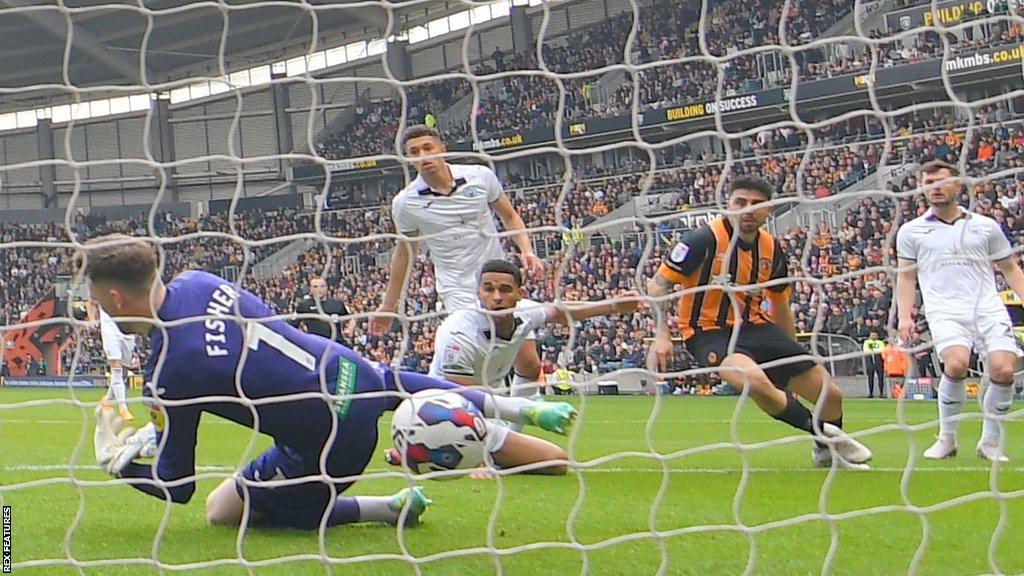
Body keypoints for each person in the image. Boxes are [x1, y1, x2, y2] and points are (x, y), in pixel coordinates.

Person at [80, 234, 577, 530]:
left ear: (119, 299)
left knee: (222, 510)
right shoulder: (200, 281)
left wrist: (119, 466)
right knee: (390, 381)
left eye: (101, 304)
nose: (102, 312)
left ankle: (386, 508)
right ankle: (522, 409)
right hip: (345, 368)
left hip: (332, 443)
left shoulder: (171, 370)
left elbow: (178, 486)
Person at [648, 176, 873, 470]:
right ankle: (823, 434)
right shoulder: (703, 239)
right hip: (709, 332)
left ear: (769, 210)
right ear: (727, 205)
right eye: (740, 202)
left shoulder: (771, 248)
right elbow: (658, 285)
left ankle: (825, 453)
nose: (748, 210)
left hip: (757, 327)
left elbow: (779, 303)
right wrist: (662, 334)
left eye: (757, 204)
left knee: (830, 395)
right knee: (755, 381)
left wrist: (792, 352)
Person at [371, 125, 544, 395]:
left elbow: (509, 215)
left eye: (428, 148)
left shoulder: (480, 177)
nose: (423, 156)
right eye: (414, 152)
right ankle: (441, 402)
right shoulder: (406, 203)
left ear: (442, 148)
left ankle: (509, 429)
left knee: (530, 365)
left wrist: (526, 249)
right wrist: (389, 305)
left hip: (497, 284)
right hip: (459, 291)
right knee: (480, 374)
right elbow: (405, 253)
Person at [896, 160, 1024, 462]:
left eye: (940, 181)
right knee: (955, 364)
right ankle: (946, 438)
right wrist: (905, 316)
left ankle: (990, 442)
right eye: (928, 182)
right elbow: (906, 276)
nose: (934, 187)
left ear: (958, 185)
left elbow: (1010, 268)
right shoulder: (912, 231)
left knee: (1004, 370)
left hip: (988, 309)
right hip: (945, 311)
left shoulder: (984, 226)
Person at [85, 299, 138, 423]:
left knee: (123, 370)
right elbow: (91, 301)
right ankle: (123, 408)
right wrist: (92, 318)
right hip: (110, 329)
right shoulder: (104, 281)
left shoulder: (131, 282)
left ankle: (107, 400)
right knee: (116, 367)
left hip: (128, 331)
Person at [292, 277, 352, 341]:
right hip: (316, 344)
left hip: (336, 343)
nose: (319, 289)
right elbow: (293, 324)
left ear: (326, 288)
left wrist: (350, 329)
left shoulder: (337, 304)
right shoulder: (304, 305)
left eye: (322, 286)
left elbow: (351, 319)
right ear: (310, 289)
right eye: (315, 287)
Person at [862, 331, 886, 398]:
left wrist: (873, 349)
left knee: (880, 377)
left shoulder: (880, 342)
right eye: (872, 335)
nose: (873, 337)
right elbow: (866, 350)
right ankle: (870, 393)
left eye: (875, 335)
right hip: (870, 360)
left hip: (878, 360)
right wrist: (874, 350)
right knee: (870, 378)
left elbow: (881, 350)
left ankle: (881, 393)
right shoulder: (866, 342)